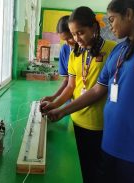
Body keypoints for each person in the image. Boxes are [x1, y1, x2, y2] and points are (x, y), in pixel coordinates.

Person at [46, 0, 134, 182]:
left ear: (128, 14)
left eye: (112, 19)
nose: (110, 26)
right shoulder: (119, 50)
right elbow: (97, 90)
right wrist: (61, 111)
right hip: (109, 143)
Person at [41, 6, 117, 183]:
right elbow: (70, 87)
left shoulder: (113, 50)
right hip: (75, 121)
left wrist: (62, 110)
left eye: (80, 33)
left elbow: (99, 91)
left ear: (94, 27)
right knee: (76, 170)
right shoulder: (75, 54)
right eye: (74, 34)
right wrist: (54, 104)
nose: (77, 39)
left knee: (95, 172)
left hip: (99, 125)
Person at [41, 15, 76, 102]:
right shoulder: (65, 49)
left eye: (70, 38)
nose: (67, 43)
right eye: (64, 40)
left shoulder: (88, 51)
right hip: (69, 97)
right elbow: (67, 80)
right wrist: (54, 97)